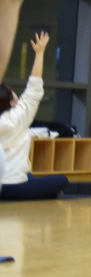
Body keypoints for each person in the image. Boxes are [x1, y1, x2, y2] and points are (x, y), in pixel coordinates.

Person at [1, 31, 69, 200]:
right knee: (62, 180)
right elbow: (34, 88)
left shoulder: (15, 117)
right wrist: (39, 53)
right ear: (11, 103)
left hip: (10, 183)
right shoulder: (17, 117)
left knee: (30, 176)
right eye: (13, 94)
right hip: (13, 186)